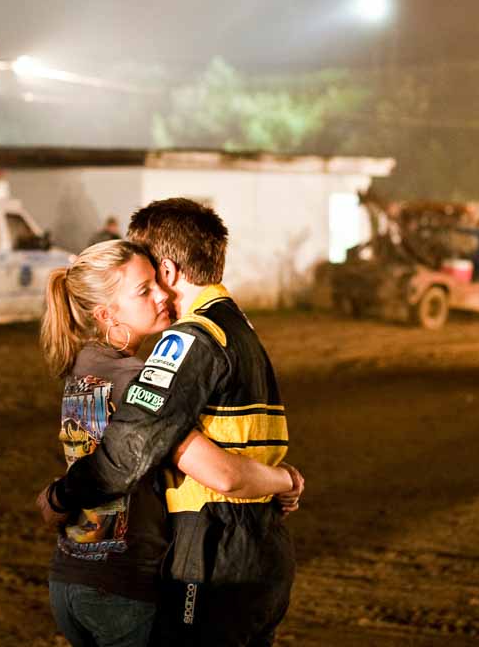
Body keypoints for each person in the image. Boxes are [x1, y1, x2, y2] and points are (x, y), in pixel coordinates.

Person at [39, 198, 297, 647]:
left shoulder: (169, 344)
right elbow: (200, 465)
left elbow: (131, 449)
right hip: (238, 549)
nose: (157, 293)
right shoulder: (236, 328)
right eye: (143, 288)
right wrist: (284, 479)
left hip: (194, 553)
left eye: (150, 278)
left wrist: (59, 496)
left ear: (169, 269)